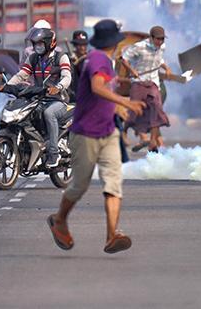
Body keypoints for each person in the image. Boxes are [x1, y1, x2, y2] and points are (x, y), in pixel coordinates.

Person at [47, 19, 145, 254]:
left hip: (108, 131)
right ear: (114, 42)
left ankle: (113, 235)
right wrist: (124, 101)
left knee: (113, 183)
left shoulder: (103, 60)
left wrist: (117, 104)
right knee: (79, 186)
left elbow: (103, 92)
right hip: (86, 134)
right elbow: (97, 87)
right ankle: (59, 219)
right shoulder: (99, 59)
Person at [6, 26, 71, 168]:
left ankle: (53, 153)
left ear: (50, 43)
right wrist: (7, 86)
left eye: (40, 44)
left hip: (58, 100)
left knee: (49, 113)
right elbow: (21, 75)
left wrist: (58, 87)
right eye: (36, 44)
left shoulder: (61, 57)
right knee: (23, 113)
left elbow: (67, 77)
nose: (37, 47)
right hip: (38, 98)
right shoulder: (33, 58)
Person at [120, 26, 171, 153]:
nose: (160, 42)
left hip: (153, 82)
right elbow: (124, 59)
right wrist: (132, 71)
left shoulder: (162, 47)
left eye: (162, 39)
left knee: (156, 110)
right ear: (151, 38)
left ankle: (152, 142)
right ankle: (124, 131)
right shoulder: (139, 47)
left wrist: (167, 68)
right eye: (158, 39)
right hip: (139, 82)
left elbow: (160, 60)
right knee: (135, 111)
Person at [69, 30, 89, 96]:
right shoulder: (67, 58)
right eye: (79, 45)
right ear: (74, 45)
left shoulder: (90, 59)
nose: (82, 48)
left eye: (84, 45)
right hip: (71, 96)